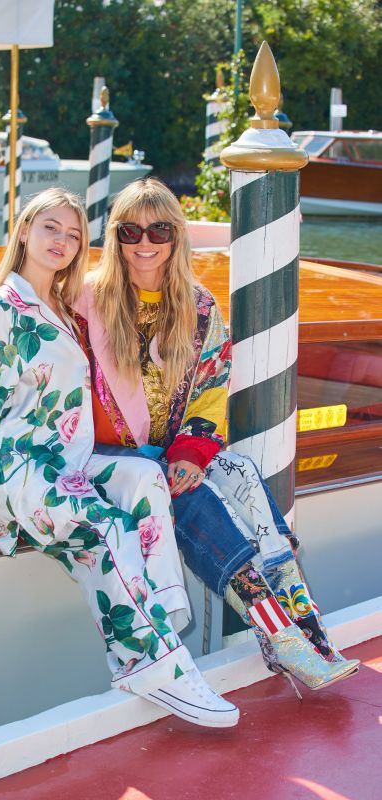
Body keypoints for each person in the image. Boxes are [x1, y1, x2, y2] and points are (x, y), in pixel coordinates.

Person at [0, 187, 239, 728]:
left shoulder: (60, 308)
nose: (61, 240)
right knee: (103, 522)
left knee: (144, 478)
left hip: (61, 461)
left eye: (72, 233)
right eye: (50, 228)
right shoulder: (3, 306)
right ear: (23, 232)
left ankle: (161, 617)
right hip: (9, 466)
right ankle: (148, 661)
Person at [73, 177, 359, 693]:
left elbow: (210, 388)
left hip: (170, 450)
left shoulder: (198, 307)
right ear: (114, 237)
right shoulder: (87, 302)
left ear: (176, 236)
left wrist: (191, 452)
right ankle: (277, 635)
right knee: (195, 499)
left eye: (158, 230)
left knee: (243, 473)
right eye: (130, 231)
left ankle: (307, 624)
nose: (144, 243)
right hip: (107, 456)